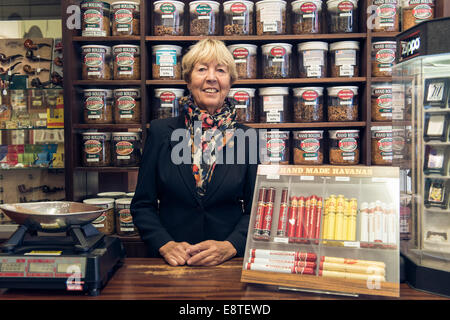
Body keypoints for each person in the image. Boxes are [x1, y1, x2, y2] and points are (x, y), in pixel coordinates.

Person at [131, 39, 258, 267]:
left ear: (230, 82)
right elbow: (142, 205)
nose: (211, 78)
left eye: (220, 70)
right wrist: (164, 243)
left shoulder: (247, 138)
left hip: (227, 264)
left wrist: (231, 246)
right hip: (172, 264)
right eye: (202, 69)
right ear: (188, 80)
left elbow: (256, 209)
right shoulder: (161, 132)